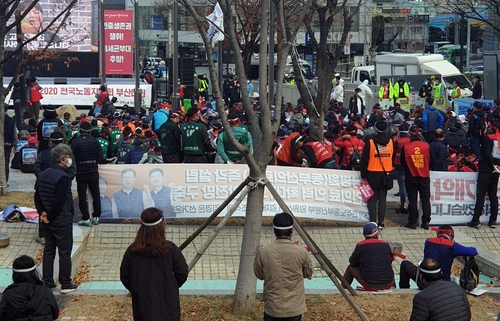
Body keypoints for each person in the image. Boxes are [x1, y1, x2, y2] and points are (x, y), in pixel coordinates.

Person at [120, 208, 188, 321]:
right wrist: (170, 286)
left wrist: (136, 289)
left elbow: (125, 276)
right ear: (161, 227)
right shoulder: (170, 249)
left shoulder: (132, 250)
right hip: (168, 302)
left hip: (142, 302)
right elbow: (182, 273)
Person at [34, 144, 78, 294]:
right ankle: (65, 283)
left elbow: (37, 196)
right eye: (68, 157)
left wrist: (43, 214)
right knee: (64, 252)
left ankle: (48, 282)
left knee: (49, 250)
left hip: (46, 220)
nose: (70, 160)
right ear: (62, 159)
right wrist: (51, 216)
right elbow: (59, 201)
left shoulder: (43, 174)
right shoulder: (63, 177)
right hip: (61, 220)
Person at [254, 212, 313, 321]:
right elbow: (308, 273)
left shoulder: (264, 251)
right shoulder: (301, 252)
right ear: (292, 231)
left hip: (273, 306)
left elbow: (260, 274)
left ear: (273, 230)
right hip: (294, 306)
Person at [399, 225, 478, 288]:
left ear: (438, 234)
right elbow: (473, 251)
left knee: (405, 264)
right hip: (443, 285)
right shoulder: (452, 246)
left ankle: (404, 289)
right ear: (451, 235)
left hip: (423, 283)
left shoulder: (428, 241)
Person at [0, 255, 59, 320]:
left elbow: (2, 315)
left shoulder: (8, 294)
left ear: (15, 274)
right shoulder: (46, 292)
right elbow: (55, 314)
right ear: (34, 272)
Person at [360, 120, 394, 228]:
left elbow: (364, 160)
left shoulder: (370, 142)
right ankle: (381, 222)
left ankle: (373, 222)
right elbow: (392, 157)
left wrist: (363, 175)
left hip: (372, 173)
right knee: (382, 199)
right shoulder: (390, 141)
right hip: (386, 173)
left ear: (375, 129)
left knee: (372, 200)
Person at [343, 222, 395, 291]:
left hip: (369, 285)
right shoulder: (385, 244)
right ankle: (394, 288)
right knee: (388, 267)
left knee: (350, 268)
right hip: (388, 284)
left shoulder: (360, 245)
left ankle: (343, 289)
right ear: (376, 234)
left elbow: (352, 262)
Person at [468, 119, 500, 228]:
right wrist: (496, 166)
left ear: (491, 127)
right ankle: (493, 220)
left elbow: (486, 154)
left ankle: (476, 220)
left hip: (486, 169)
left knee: (481, 195)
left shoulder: (488, 139)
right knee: (493, 196)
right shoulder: (498, 139)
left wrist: (492, 165)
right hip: (496, 171)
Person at [71, 121, 103, 226]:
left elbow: (72, 158)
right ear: (90, 130)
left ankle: (85, 218)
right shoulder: (95, 141)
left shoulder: (75, 142)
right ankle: (96, 216)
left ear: (80, 130)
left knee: (82, 195)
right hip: (93, 171)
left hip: (80, 172)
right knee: (96, 194)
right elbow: (100, 156)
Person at [401, 127, 431, 230]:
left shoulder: (406, 147)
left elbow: (402, 162)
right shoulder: (426, 146)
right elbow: (431, 160)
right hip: (424, 176)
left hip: (411, 176)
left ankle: (412, 222)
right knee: (425, 199)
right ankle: (426, 221)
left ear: (410, 135)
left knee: (412, 199)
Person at [393, 122, 410, 213]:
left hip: (399, 164)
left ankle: (403, 204)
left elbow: (393, 152)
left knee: (402, 186)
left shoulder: (398, 141)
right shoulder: (410, 140)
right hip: (409, 165)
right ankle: (408, 204)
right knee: (409, 186)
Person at [4, 104, 17, 185]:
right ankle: (5, 181)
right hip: (8, 144)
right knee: (6, 163)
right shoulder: (12, 121)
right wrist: (16, 144)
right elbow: (14, 134)